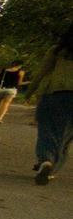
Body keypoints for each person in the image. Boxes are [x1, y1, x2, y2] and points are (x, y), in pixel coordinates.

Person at [26, 23, 73, 185]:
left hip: (55, 95)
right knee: (66, 137)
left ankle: (46, 160)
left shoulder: (58, 51)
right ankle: (52, 168)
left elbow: (42, 72)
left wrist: (29, 92)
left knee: (47, 130)